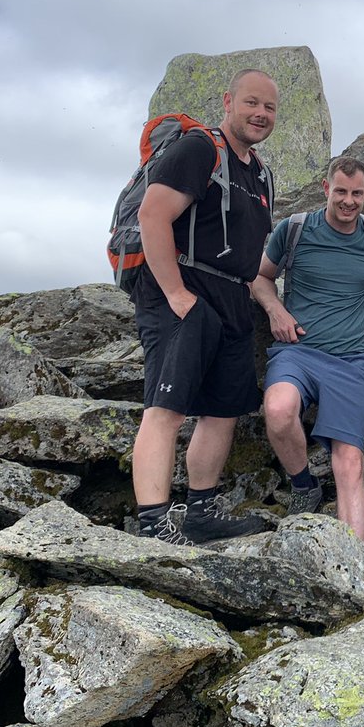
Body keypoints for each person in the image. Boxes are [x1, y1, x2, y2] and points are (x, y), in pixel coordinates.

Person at [131, 69, 279, 546]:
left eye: (270, 108)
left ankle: (201, 512)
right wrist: (176, 294)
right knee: (166, 406)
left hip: (234, 296)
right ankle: (155, 522)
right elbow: (152, 215)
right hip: (185, 286)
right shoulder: (199, 149)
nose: (260, 114)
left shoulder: (260, 173)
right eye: (251, 103)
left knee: (223, 409)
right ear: (228, 101)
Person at [251, 156, 364, 542]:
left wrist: (357, 315)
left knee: (349, 462)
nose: (349, 201)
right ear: (326, 188)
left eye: (357, 193)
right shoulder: (294, 229)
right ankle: (303, 486)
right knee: (278, 410)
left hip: (350, 360)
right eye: (341, 191)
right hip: (297, 350)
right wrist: (276, 311)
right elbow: (261, 278)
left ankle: (355, 567)